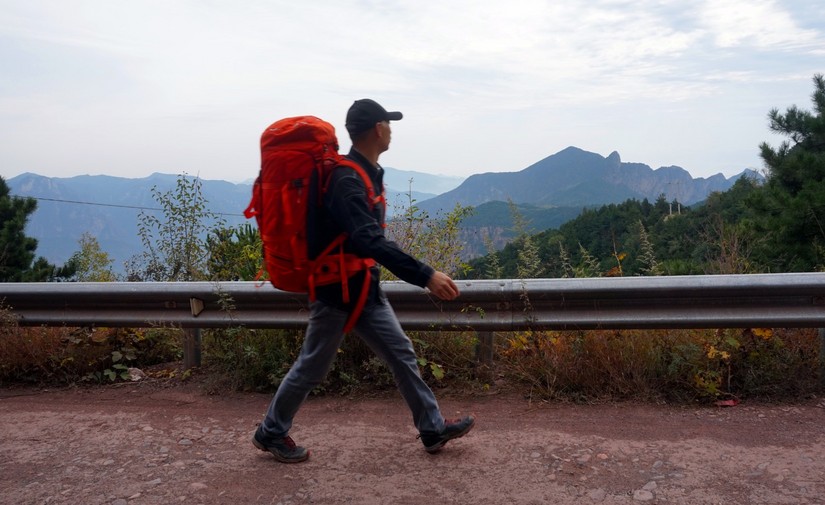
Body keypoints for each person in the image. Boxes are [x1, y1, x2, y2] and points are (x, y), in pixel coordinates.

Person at [252, 99, 475, 463]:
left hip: (362, 288)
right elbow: (367, 239)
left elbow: (364, 242)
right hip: (336, 292)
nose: (391, 129)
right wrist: (426, 275)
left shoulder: (366, 172)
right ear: (378, 129)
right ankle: (270, 432)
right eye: (389, 123)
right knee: (312, 367)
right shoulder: (346, 179)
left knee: (401, 354)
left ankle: (432, 429)